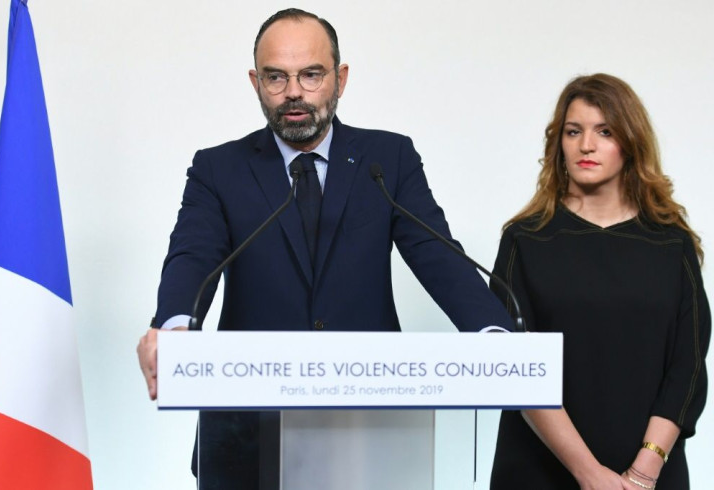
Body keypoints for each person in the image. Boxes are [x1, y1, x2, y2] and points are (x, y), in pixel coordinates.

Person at [136, 8, 513, 488]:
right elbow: (193, 255)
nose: (294, 92)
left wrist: (494, 335)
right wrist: (174, 325)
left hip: (369, 423)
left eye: (311, 74)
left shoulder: (387, 159)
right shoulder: (219, 168)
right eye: (276, 77)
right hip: (248, 432)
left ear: (340, 78)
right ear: (256, 82)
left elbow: (437, 254)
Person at [489, 73, 710, 489]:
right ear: (560, 143)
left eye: (604, 131)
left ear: (630, 142)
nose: (586, 145)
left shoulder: (671, 242)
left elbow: (688, 369)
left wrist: (643, 473)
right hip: (539, 471)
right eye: (574, 132)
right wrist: (589, 475)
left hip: (649, 474)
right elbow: (515, 368)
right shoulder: (527, 239)